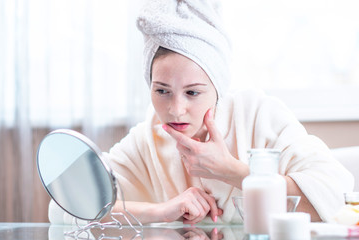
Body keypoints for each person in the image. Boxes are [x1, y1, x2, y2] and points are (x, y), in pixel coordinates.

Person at [49, 0, 353, 225]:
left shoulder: (259, 115)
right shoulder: (148, 138)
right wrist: (161, 210)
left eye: (193, 92)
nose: (176, 109)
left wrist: (231, 171)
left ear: (217, 87)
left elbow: (332, 195)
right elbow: (64, 204)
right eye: (162, 91)